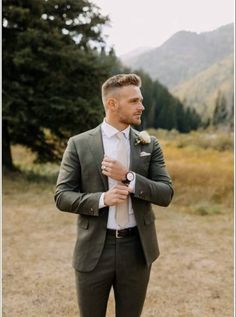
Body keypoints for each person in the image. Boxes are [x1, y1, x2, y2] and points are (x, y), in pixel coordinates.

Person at [54, 73, 174, 317]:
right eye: (134, 101)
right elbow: (62, 195)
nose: (142, 106)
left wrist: (128, 177)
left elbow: (165, 193)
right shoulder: (79, 144)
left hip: (137, 250)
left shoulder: (149, 144)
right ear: (112, 104)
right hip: (94, 250)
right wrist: (102, 199)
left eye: (140, 100)